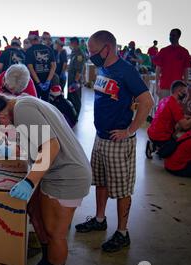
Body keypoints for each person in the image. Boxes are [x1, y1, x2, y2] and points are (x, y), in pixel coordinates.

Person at [0, 88, 91, 265]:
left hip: (67, 175)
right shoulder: (23, 103)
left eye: (1, 125)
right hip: (55, 172)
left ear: (1, 115)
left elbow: (51, 147)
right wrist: (8, 148)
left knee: (56, 233)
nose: (5, 127)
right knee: (40, 219)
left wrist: (29, 182)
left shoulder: (23, 110)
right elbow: (35, 142)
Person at [75, 30, 154, 253]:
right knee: (100, 181)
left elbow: (146, 101)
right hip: (100, 137)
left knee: (121, 189)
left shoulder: (126, 71)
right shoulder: (104, 67)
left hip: (118, 141)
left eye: (93, 51)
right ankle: (100, 219)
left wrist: (129, 131)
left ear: (107, 48)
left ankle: (122, 233)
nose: (91, 56)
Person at [147, 80, 191, 154]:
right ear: (179, 91)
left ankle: (157, 144)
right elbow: (186, 126)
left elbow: (179, 116)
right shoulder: (174, 105)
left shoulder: (164, 99)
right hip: (160, 137)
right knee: (180, 149)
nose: (186, 94)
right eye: (185, 91)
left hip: (152, 133)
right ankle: (158, 148)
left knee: (179, 125)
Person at [154, 29, 191, 100]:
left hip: (177, 89)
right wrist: (156, 85)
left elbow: (186, 71)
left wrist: (185, 87)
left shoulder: (184, 52)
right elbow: (157, 69)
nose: (171, 37)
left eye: (173, 35)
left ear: (179, 36)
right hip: (164, 87)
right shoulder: (163, 51)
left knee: (174, 110)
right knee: (163, 110)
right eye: (170, 35)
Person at [25, 31, 56, 102]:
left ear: (31, 39)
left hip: (35, 83)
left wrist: (39, 83)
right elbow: (53, 66)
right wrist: (48, 81)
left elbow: (30, 68)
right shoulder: (48, 49)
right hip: (47, 81)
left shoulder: (29, 51)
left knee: (35, 103)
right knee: (46, 104)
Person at [68, 37, 85, 117]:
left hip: (75, 80)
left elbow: (79, 70)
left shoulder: (79, 54)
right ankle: (71, 114)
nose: (69, 45)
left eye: (70, 43)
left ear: (74, 43)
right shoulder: (73, 52)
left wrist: (75, 81)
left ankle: (76, 116)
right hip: (71, 78)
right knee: (71, 97)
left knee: (76, 98)